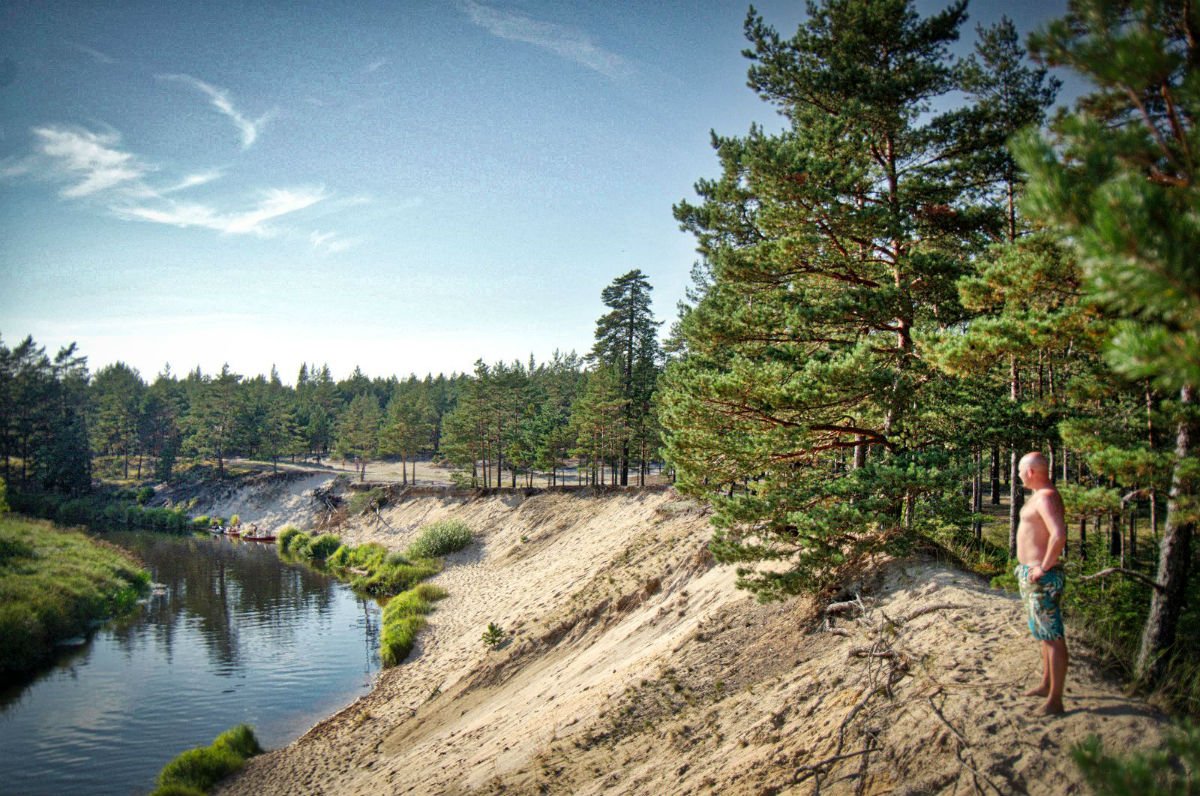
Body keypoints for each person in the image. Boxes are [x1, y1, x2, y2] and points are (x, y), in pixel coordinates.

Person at [1014, 451, 1069, 715]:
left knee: (1053, 637)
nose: (1019, 475)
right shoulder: (1040, 496)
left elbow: (1058, 535)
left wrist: (1043, 567)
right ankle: (1046, 684)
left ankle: (1055, 701)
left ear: (1031, 472)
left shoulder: (1045, 497)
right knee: (1044, 635)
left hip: (1042, 577)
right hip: (1033, 575)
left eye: (1020, 471)